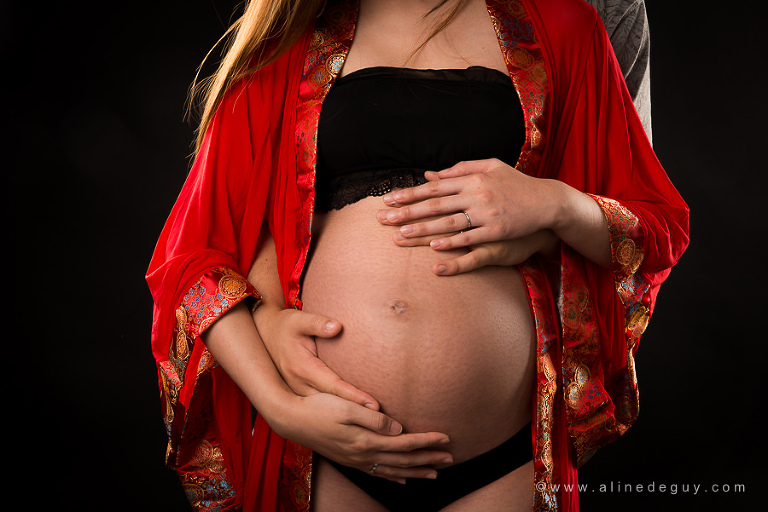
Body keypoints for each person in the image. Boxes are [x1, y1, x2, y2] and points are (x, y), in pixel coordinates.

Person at [146, 0, 688, 511]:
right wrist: (281, 407)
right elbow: (195, 256)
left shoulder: (567, 27)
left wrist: (558, 206)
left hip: (504, 455)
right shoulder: (286, 41)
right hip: (323, 450)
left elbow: (656, 227)